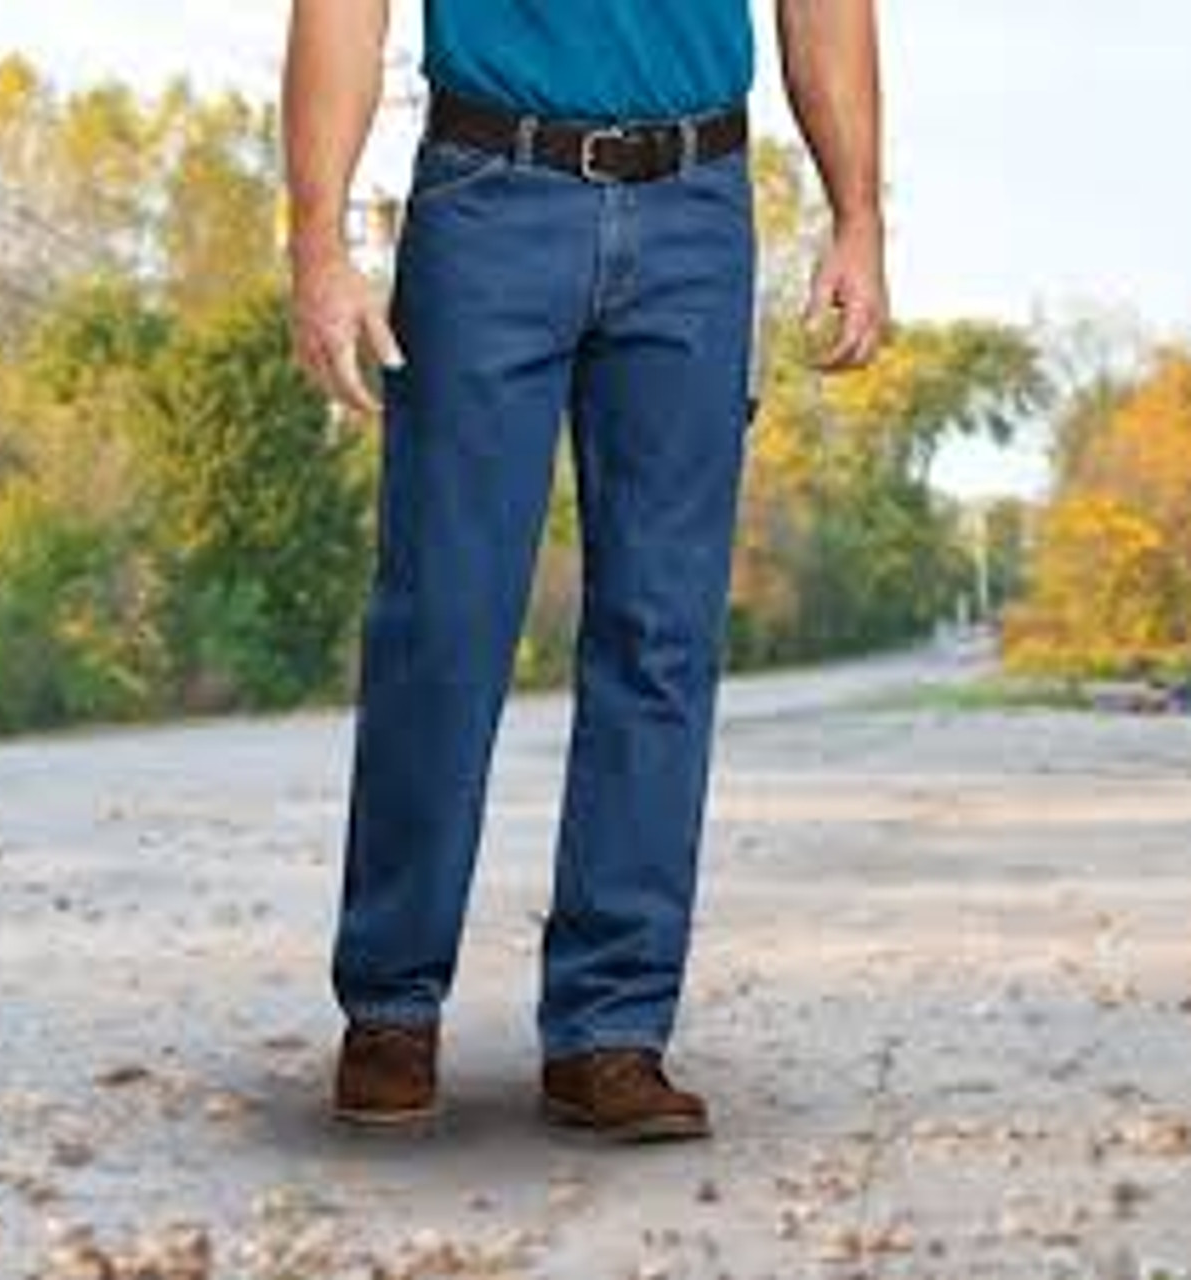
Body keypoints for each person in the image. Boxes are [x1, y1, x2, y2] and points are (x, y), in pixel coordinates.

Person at [282, 0, 890, 1142]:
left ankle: (610, 1031)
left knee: (660, 635)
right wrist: (317, 242)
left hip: (696, 209)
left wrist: (857, 217)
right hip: (486, 192)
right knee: (443, 623)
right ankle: (390, 1005)